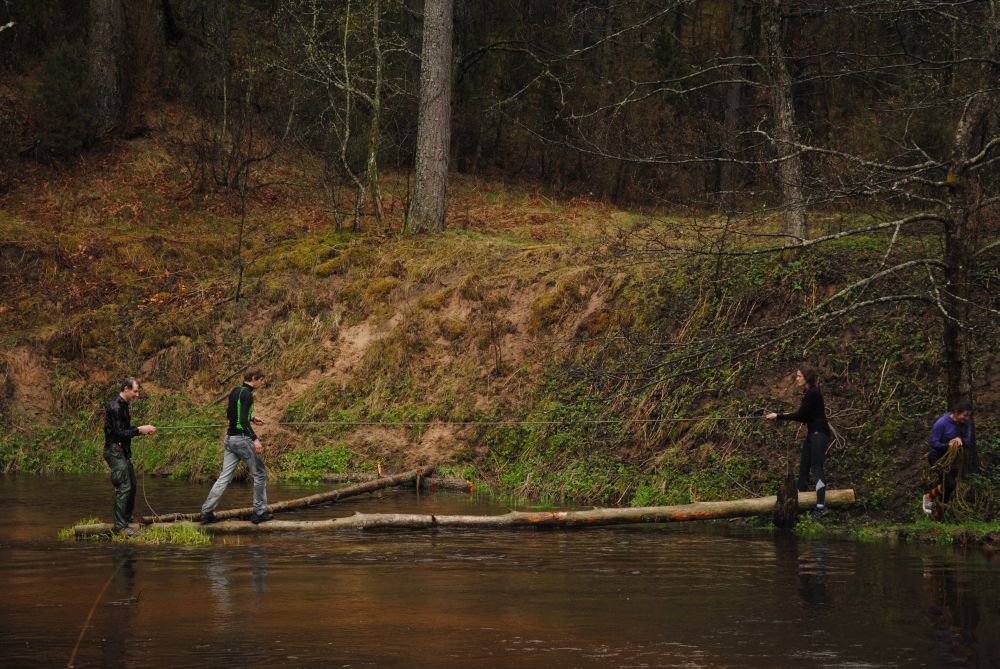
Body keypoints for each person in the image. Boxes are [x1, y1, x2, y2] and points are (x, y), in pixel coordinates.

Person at [200, 368, 272, 524]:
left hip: (229, 440)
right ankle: (259, 513)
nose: (262, 382)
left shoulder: (235, 391)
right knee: (260, 475)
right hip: (242, 440)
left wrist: (252, 417)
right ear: (254, 378)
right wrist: (255, 439)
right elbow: (242, 420)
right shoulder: (248, 394)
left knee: (224, 478)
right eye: (261, 379)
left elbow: (230, 414)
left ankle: (206, 512)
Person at [766, 365, 831, 516]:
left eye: (799, 376)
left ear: (806, 378)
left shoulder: (813, 393)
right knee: (803, 467)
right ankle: (799, 502)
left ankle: (821, 507)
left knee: (816, 468)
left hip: (819, 434)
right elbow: (806, 415)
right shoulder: (810, 393)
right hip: (812, 434)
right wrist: (786, 414)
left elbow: (801, 416)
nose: (797, 379)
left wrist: (779, 415)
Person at [103, 377, 156, 536]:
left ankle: (127, 519)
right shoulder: (115, 407)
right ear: (125, 389)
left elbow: (125, 431)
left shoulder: (124, 405)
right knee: (124, 487)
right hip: (114, 452)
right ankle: (120, 527)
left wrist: (142, 430)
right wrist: (140, 429)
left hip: (122, 452)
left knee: (131, 486)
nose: (137, 394)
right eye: (135, 391)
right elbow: (119, 433)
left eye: (138, 391)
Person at [923, 401, 973, 517]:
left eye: (968, 415)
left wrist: (960, 441)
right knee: (949, 484)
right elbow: (934, 443)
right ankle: (931, 502)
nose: (967, 418)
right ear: (955, 412)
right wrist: (949, 445)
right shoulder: (941, 423)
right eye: (965, 415)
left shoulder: (966, 422)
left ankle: (937, 513)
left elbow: (968, 439)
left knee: (948, 485)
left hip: (953, 459)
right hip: (938, 458)